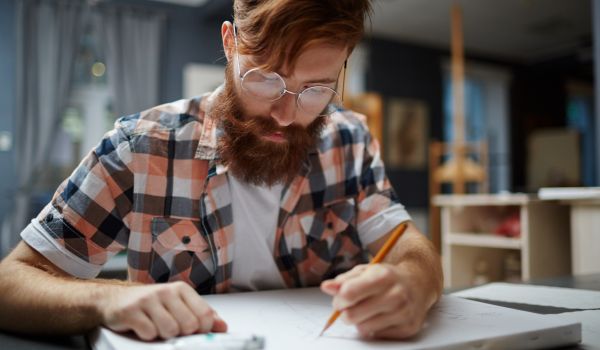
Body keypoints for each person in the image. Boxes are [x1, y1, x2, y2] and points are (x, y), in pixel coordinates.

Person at [0, 0, 442, 341]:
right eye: (266, 78)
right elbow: (11, 283)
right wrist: (107, 298)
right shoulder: (141, 147)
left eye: (316, 89)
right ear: (230, 43)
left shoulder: (350, 140)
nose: (287, 115)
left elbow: (409, 247)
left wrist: (414, 281)